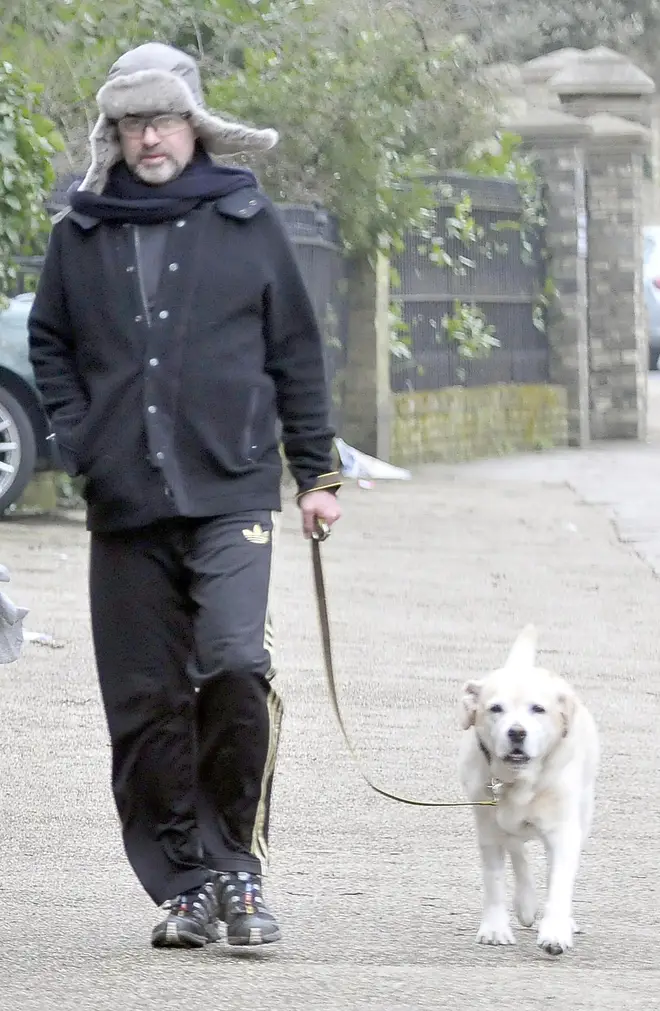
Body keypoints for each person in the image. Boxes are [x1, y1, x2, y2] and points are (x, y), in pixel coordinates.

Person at [28, 41, 342, 950]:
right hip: (124, 500)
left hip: (232, 486)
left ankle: (237, 868)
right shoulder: (81, 234)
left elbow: (297, 350)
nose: (148, 138)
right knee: (145, 701)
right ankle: (183, 885)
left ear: (193, 125)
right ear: (114, 134)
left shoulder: (247, 220)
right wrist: (83, 438)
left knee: (236, 664)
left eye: (162, 120)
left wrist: (316, 472)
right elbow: (49, 344)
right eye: (131, 124)